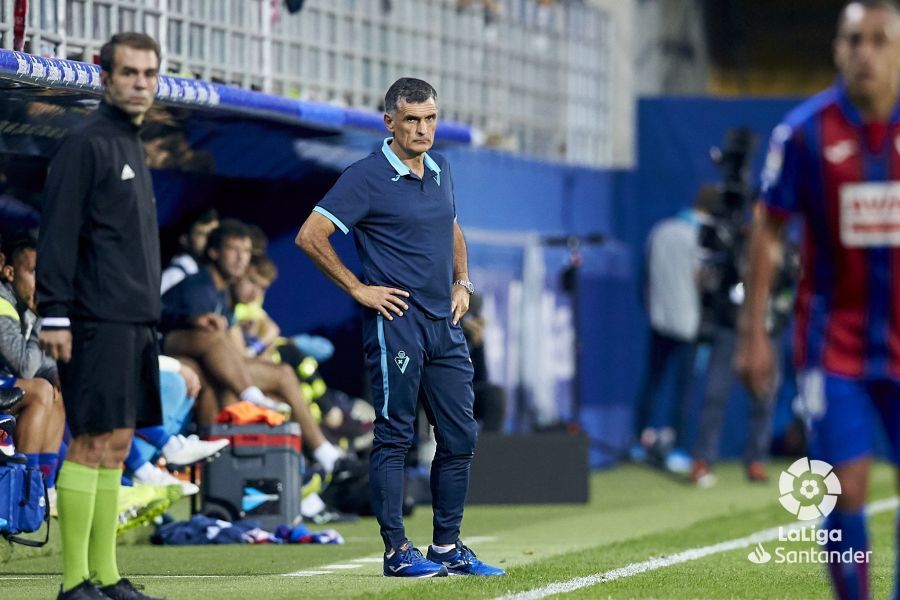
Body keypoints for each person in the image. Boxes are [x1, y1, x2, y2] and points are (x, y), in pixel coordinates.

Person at [297, 77, 504, 578]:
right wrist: (358, 288)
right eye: (412, 119)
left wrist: (463, 282)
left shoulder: (441, 168)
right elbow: (311, 235)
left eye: (430, 118)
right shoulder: (365, 176)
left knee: (460, 436)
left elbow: (451, 226)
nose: (422, 129)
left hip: (445, 324)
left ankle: (447, 547)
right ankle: (396, 552)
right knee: (395, 437)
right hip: (397, 324)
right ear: (389, 121)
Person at [735, 3, 900, 599]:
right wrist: (754, 332)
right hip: (834, 346)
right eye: (854, 39)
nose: (865, 52)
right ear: (837, 49)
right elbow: (768, 229)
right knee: (845, 488)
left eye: (879, 40)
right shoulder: (804, 133)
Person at [37, 32, 165, 600]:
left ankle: (106, 577)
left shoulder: (132, 143)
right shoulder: (86, 144)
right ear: (105, 75)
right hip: (95, 319)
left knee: (117, 444)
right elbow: (58, 232)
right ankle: (73, 584)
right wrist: (55, 315)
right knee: (90, 442)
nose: (140, 83)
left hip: (135, 320)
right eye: (129, 72)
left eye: (149, 74)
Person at [632, 186, 717, 466]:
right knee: (684, 388)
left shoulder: (660, 231)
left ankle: (639, 440)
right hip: (689, 323)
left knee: (653, 381)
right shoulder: (703, 237)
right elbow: (703, 279)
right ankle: (678, 448)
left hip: (659, 319)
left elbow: (645, 278)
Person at [0, 233, 65, 504]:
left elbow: (41, 365)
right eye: (34, 272)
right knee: (40, 391)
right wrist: (45, 319)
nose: (42, 282)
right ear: (9, 272)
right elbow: (25, 368)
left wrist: (55, 374)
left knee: (56, 391)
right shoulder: (2, 304)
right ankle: (23, 490)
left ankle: (44, 491)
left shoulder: (23, 306)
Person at [160, 208, 219, 294]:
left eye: (215, 235)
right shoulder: (177, 275)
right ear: (184, 239)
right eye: (203, 234)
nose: (211, 240)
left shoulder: (208, 276)